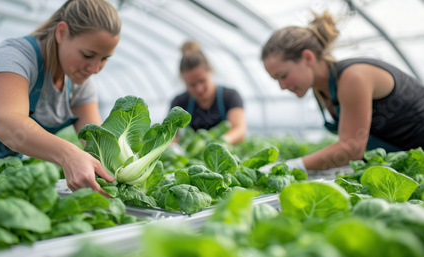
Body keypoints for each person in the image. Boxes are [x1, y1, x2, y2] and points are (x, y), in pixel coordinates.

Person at [0, 0, 120, 196]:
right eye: (88, 55)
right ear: (61, 32)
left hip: (7, 179)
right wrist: (68, 154)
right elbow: (6, 124)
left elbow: (97, 144)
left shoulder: (80, 84)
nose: (95, 69)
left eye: (104, 59)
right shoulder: (15, 56)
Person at [260, 11, 424, 171]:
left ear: (308, 58)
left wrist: (292, 166)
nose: (281, 86)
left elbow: (351, 149)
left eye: (283, 75)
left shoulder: (354, 77)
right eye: (276, 79)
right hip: (411, 163)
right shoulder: (320, 90)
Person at [170, 40, 247, 145]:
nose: (199, 89)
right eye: (192, 85)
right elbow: (172, 137)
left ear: (210, 71)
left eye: (202, 81)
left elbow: (239, 130)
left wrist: (221, 142)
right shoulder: (179, 103)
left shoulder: (229, 96)